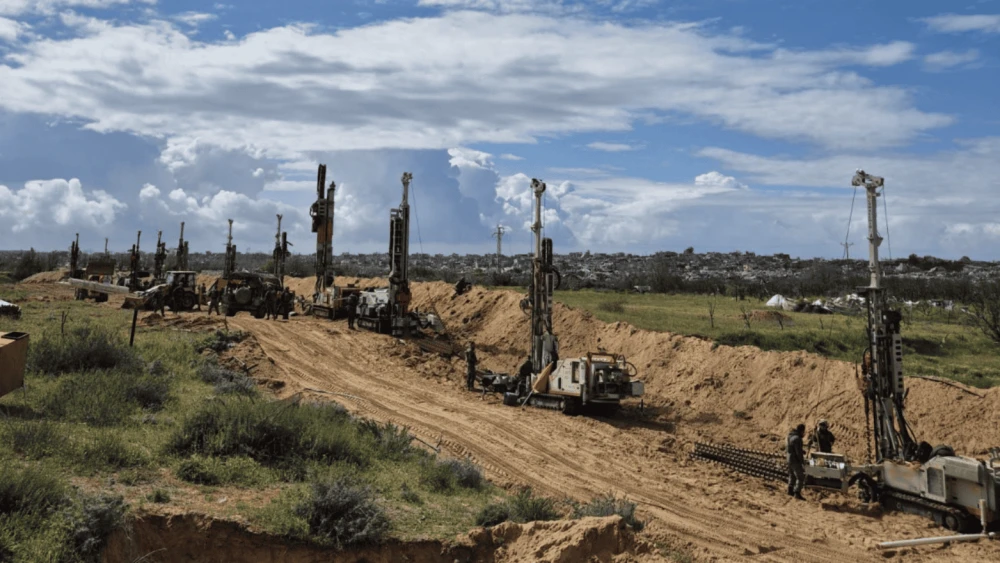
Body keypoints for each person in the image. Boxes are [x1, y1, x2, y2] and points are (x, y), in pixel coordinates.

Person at [786, 423, 806, 500]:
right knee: (800, 477)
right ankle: (797, 492)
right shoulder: (798, 439)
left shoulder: (790, 436)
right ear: (801, 431)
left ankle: (790, 490)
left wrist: (801, 450)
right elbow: (798, 453)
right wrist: (802, 462)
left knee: (792, 475)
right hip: (795, 460)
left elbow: (792, 448)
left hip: (789, 459)